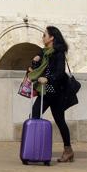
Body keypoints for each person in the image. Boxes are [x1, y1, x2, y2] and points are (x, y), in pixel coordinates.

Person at [28, 26, 73, 163]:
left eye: (44, 35)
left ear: (51, 37)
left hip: (56, 92)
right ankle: (34, 148)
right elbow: (37, 69)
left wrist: (48, 79)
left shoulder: (58, 53)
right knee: (34, 115)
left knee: (60, 121)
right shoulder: (43, 52)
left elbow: (60, 72)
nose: (43, 37)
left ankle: (68, 150)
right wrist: (35, 62)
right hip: (45, 91)